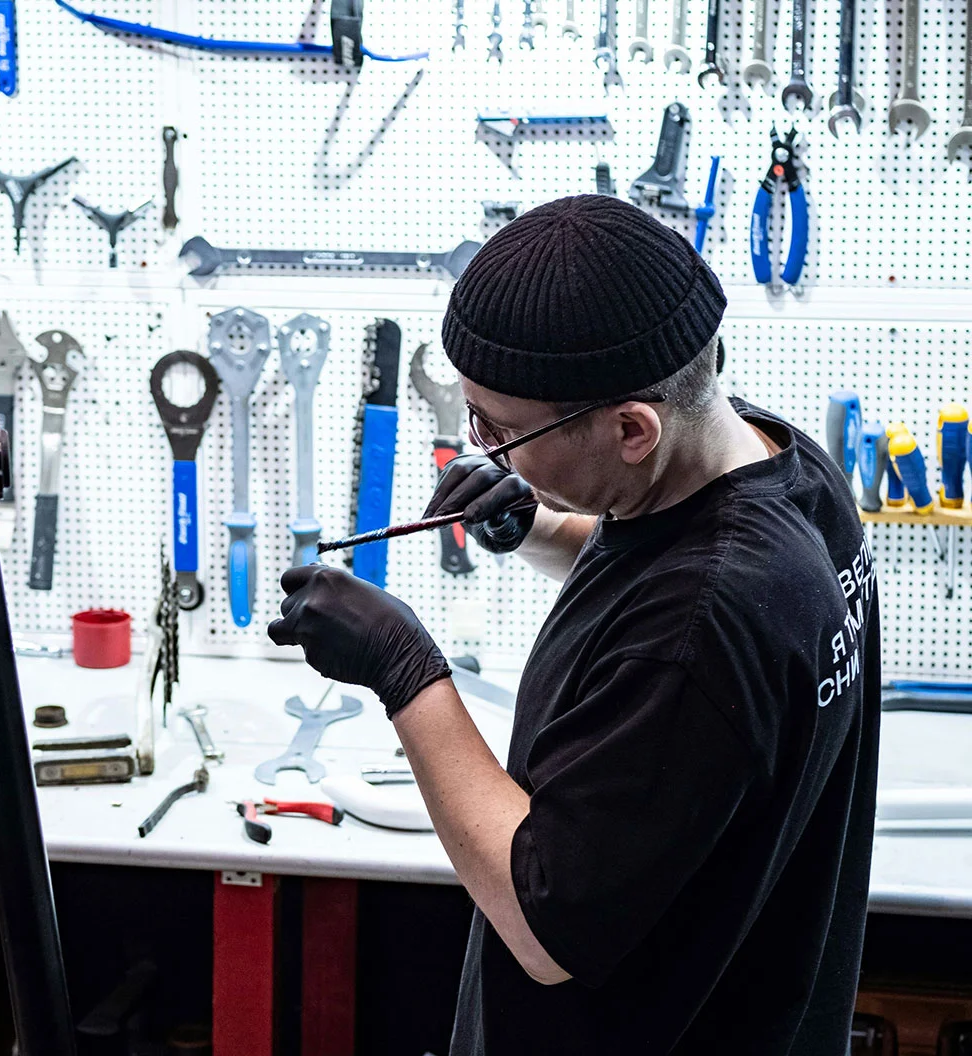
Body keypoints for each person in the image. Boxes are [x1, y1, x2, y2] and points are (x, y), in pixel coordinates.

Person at [268, 195, 880, 1054]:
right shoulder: (788, 472)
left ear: (633, 428)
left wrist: (404, 671)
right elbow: (665, 565)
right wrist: (535, 526)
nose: (479, 447)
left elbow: (543, 923)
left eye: (502, 428)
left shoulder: (703, 630)